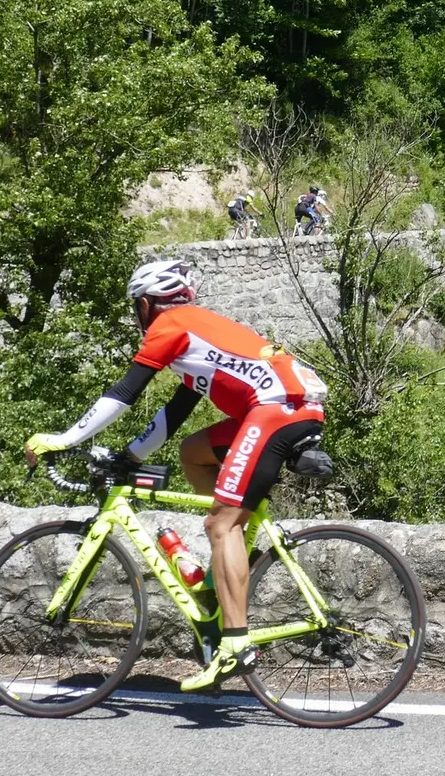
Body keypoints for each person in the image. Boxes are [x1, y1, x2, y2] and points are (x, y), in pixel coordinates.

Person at [23, 260, 329, 692]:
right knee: (194, 454)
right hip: (290, 406)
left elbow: (124, 393)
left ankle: (235, 644)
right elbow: (175, 413)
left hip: (274, 410)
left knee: (220, 524)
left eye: (137, 307)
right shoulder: (198, 334)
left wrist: (63, 439)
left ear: (146, 305)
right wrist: (131, 456)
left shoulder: (170, 326)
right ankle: (234, 548)